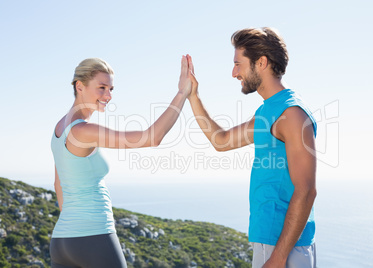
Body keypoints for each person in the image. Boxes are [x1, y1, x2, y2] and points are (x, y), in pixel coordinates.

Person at [186, 27, 317, 268]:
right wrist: (193, 95)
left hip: (286, 248)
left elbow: (306, 190)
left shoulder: (293, 114)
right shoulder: (268, 111)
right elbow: (221, 141)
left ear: (261, 63)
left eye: (239, 64)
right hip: (270, 242)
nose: (234, 72)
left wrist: (278, 258)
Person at [50, 56, 192, 268]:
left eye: (111, 89)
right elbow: (152, 137)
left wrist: (75, 226)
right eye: (101, 87)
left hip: (62, 242)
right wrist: (182, 93)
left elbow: (58, 184)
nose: (108, 95)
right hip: (94, 238)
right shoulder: (84, 131)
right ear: (80, 86)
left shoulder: (59, 129)